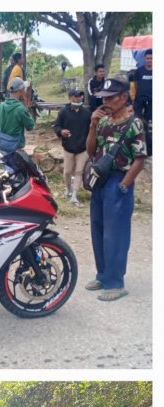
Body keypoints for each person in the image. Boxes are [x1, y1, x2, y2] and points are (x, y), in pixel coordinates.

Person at [84, 77, 147, 302]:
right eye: (104, 98)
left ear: (123, 97)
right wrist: (92, 125)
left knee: (116, 234)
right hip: (100, 181)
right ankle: (102, 275)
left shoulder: (134, 124)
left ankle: (116, 282)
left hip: (118, 181)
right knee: (98, 229)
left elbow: (140, 159)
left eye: (110, 97)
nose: (106, 102)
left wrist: (124, 185)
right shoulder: (102, 121)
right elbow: (91, 151)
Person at [53, 87, 91, 206]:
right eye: (75, 96)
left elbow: (92, 130)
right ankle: (68, 189)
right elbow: (57, 126)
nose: (78, 98)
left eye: (80, 96)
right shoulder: (64, 112)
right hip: (68, 147)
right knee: (67, 172)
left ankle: (74, 195)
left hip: (82, 149)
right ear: (70, 98)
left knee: (79, 171)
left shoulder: (87, 113)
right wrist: (61, 131)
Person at [0, 78, 35, 155]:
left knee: (5, 166)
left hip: (2, 145)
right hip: (15, 148)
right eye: (24, 89)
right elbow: (30, 126)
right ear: (21, 91)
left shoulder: (0, 106)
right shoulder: (20, 109)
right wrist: (26, 106)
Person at [128, 50, 152, 156]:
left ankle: (149, 148)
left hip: (152, 102)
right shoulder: (139, 71)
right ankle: (135, 144)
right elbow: (135, 86)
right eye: (147, 58)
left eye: (151, 58)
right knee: (137, 122)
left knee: (150, 124)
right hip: (139, 101)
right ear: (144, 59)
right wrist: (134, 98)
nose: (149, 60)